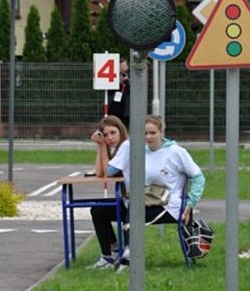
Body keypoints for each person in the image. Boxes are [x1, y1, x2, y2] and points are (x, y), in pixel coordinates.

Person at [106, 114, 206, 271]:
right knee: (130, 206)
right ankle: (126, 254)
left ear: (161, 131)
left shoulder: (177, 152)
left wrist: (190, 204)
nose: (148, 137)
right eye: (145, 133)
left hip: (170, 206)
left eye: (152, 133)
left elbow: (198, 177)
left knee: (133, 212)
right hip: (148, 201)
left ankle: (128, 257)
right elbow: (113, 171)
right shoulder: (140, 152)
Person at [87, 115, 129, 269]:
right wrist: (100, 146)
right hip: (128, 200)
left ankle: (108, 257)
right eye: (105, 135)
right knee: (97, 210)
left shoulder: (126, 145)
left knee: (99, 212)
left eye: (113, 133)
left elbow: (109, 172)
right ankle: (114, 249)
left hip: (136, 202)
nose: (109, 138)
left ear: (121, 131)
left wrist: (103, 147)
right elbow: (100, 172)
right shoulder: (119, 148)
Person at [106, 58, 129, 127]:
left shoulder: (132, 75)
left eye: (124, 65)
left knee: (124, 124)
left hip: (125, 105)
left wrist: (126, 81)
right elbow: (109, 90)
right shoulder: (113, 75)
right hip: (114, 105)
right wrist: (119, 82)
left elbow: (133, 89)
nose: (122, 67)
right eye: (121, 65)